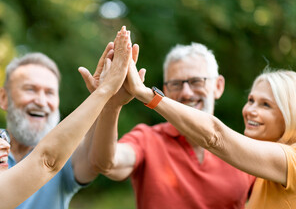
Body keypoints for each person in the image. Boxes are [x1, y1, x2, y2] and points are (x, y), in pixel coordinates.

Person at [0, 26, 132, 208]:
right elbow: (46, 160)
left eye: (1, 135)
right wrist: (105, 90)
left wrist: (109, 101)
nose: (5, 145)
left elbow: (100, 161)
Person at [82, 43, 255, 209]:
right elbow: (106, 163)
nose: (186, 93)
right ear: (166, 89)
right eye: (176, 84)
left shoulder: (242, 148)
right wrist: (111, 104)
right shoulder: (148, 139)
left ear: (218, 86)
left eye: (196, 82)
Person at [126, 53, 296, 208]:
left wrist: (146, 94)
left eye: (265, 104)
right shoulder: (262, 171)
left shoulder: (292, 160)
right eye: (251, 100)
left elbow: (215, 136)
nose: (250, 110)